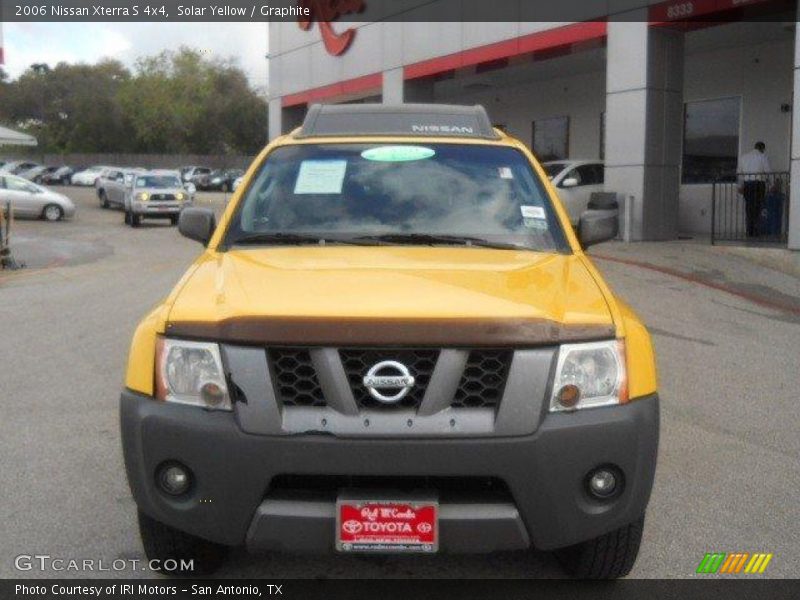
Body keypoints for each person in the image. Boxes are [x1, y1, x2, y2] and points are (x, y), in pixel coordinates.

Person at [737, 141, 771, 237]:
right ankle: (756, 231)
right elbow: (768, 171)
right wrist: (772, 184)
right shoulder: (763, 156)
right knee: (758, 207)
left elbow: (740, 173)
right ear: (762, 149)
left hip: (747, 185)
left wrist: (740, 186)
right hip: (759, 184)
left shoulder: (744, 157)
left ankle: (749, 231)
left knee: (749, 208)